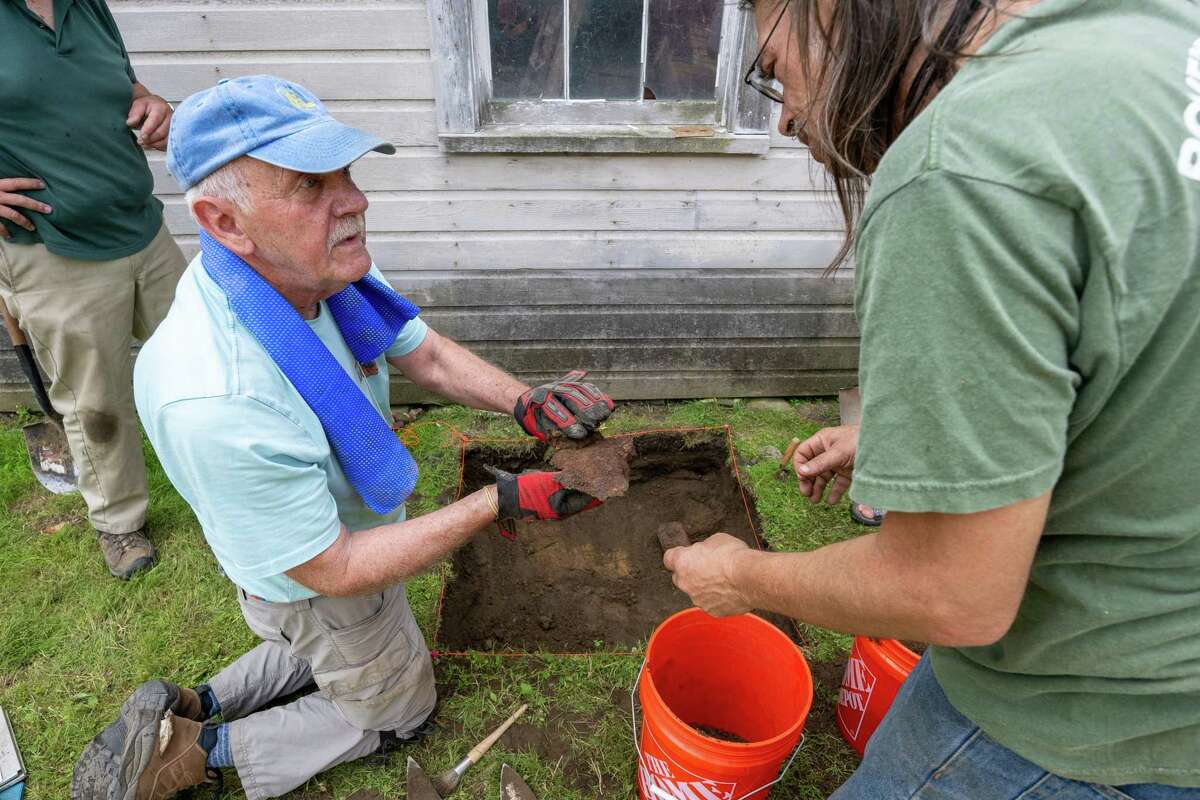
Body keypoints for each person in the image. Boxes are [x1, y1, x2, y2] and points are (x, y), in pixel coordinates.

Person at [665, 1, 1200, 797]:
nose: (787, 124)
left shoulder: (961, 171)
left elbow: (951, 593)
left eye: (774, 74)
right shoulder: (1150, 35)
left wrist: (744, 578)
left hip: (1077, 715)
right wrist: (907, 438)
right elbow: (1143, 360)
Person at [70, 75, 613, 800]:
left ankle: (193, 705)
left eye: (346, 172)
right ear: (225, 222)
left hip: (300, 568)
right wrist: (498, 502)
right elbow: (335, 570)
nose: (353, 200)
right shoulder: (217, 396)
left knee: (320, 640)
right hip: (318, 574)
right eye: (308, 183)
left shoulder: (312, 265)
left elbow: (422, 352)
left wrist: (525, 403)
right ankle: (199, 751)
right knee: (399, 710)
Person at [0, 0, 186, 579]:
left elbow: (122, 83)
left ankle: (227, 475)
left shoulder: (85, 6)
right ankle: (119, 523)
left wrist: (152, 105)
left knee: (198, 363)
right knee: (95, 400)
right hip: (54, 247)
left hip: (140, 224)